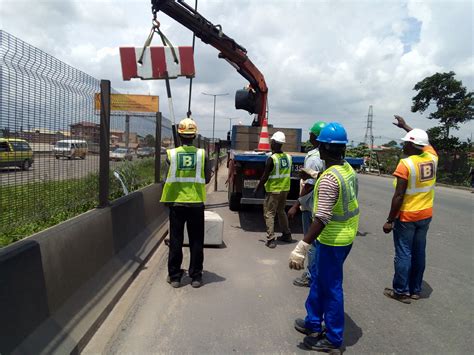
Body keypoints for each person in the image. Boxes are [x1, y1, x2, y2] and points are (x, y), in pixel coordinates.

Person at [289, 122, 359, 352]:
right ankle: (312, 322)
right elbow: (334, 180)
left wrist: (302, 246)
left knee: (331, 287)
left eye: (319, 145)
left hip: (332, 239)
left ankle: (334, 338)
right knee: (319, 279)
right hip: (345, 236)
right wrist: (315, 174)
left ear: (323, 148)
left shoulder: (329, 179)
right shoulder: (347, 169)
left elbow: (322, 217)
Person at [382, 115, 438, 303]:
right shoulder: (432, 157)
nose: (403, 146)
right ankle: (415, 289)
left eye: (406, 144)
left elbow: (398, 196)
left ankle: (400, 291)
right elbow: (423, 141)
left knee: (404, 253)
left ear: (413, 146)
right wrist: (405, 126)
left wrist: (390, 220)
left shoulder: (406, 164)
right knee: (419, 252)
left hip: (407, 216)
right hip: (425, 214)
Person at [160, 118, 212, 288]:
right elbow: (207, 178)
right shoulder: (202, 154)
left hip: (176, 204)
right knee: (196, 240)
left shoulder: (171, 155)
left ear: (179, 135)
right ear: (194, 135)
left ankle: (174, 277)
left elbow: (165, 179)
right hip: (196, 203)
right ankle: (196, 276)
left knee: (176, 239)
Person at [288, 121, 326, 287]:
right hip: (321, 202)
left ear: (315, 136)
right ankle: (317, 273)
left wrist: (296, 204)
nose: (309, 135)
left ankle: (311, 275)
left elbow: (309, 184)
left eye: (311, 133)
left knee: (310, 241)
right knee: (318, 242)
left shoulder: (313, 158)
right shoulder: (328, 157)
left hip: (310, 204)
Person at [254, 131, 292, 248]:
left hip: (274, 190)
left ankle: (270, 239)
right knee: (281, 211)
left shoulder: (272, 159)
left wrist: (257, 189)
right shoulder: (288, 157)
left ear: (275, 143)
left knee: (269, 213)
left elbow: (265, 176)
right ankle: (287, 234)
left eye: (272, 142)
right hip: (285, 189)